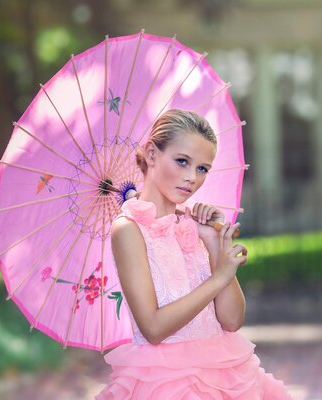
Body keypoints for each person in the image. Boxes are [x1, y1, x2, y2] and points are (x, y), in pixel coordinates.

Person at [96, 109, 291, 399]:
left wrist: (214, 244)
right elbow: (153, 328)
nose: (191, 178)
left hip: (226, 376)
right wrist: (219, 277)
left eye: (202, 169)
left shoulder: (196, 226)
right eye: (182, 161)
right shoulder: (128, 230)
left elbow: (232, 321)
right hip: (164, 382)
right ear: (151, 153)